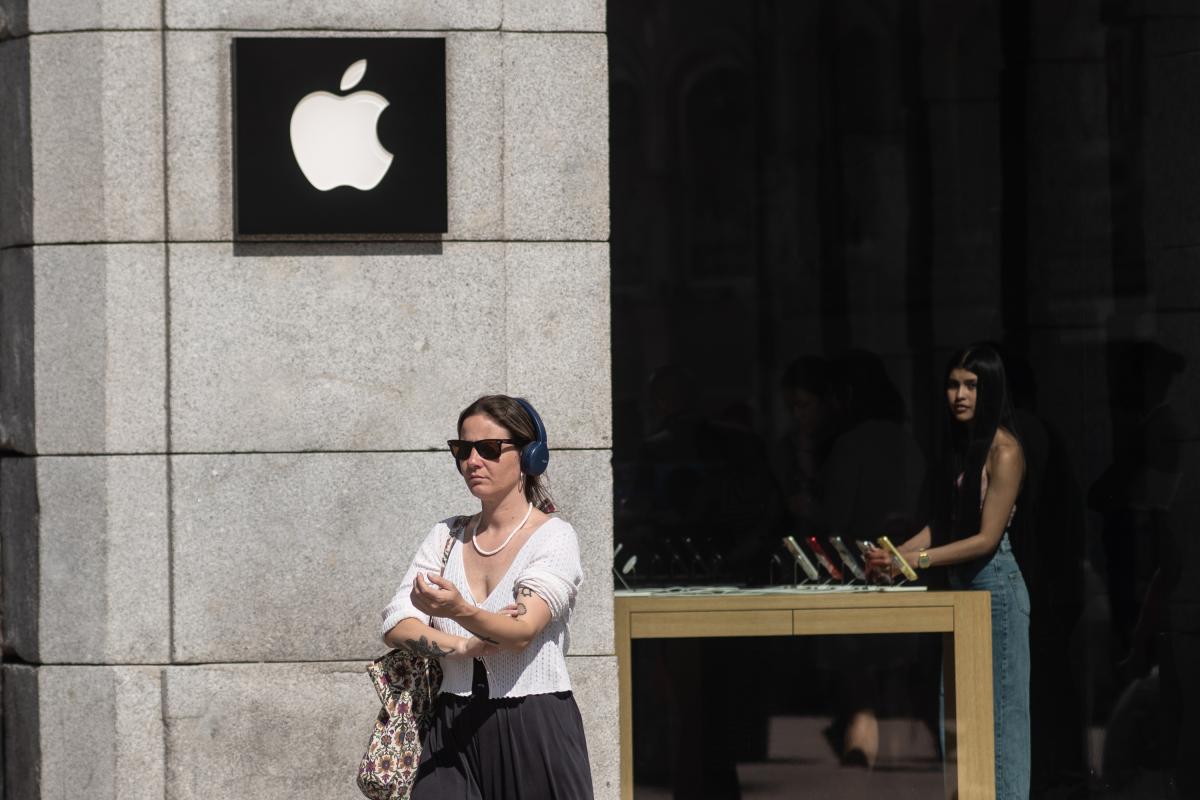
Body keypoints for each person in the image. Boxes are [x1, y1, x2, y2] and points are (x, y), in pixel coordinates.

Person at [380, 394, 593, 799]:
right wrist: (462, 645)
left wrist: (457, 609)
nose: (472, 461)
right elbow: (396, 622)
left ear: (530, 456)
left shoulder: (553, 537)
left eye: (489, 449)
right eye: (462, 449)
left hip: (534, 721)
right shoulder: (446, 536)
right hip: (450, 725)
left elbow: (520, 631)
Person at [866, 344, 1030, 800]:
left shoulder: (1006, 450)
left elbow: (985, 539)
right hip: (961, 590)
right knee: (958, 719)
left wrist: (915, 562)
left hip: (994, 587)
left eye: (971, 386)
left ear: (991, 389)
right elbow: (943, 526)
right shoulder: (964, 449)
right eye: (953, 384)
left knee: (1000, 724)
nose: (959, 395)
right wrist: (895, 557)